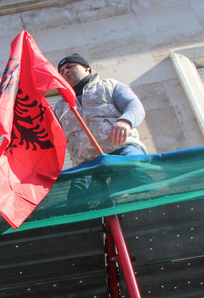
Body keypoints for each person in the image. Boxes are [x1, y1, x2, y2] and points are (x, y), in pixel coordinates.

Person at [52, 53, 151, 200]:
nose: (65, 72)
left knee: (135, 173)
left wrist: (125, 122)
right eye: (61, 71)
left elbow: (134, 106)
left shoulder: (109, 86)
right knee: (77, 199)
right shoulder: (60, 107)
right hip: (85, 163)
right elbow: (49, 136)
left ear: (87, 68)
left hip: (121, 149)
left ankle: (152, 210)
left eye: (70, 66)